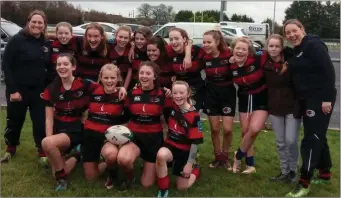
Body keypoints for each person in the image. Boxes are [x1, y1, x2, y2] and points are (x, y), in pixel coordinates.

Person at [283, 19, 336, 197]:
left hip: (320, 98)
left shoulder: (313, 45)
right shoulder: (297, 50)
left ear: (302, 29)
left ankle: (304, 182)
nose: (291, 35)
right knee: (318, 135)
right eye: (288, 33)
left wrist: (327, 99)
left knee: (311, 139)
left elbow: (328, 71)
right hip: (307, 98)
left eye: (294, 31)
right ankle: (325, 173)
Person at [1, 10, 54, 165]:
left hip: (39, 92)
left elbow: (49, 67)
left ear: (44, 25)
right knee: (15, 121)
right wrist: (13, 90)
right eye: (34, 22)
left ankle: (42, 151)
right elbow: (6, 65)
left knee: (40, 122)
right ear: (28, 22)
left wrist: (48, 89)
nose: (37, 25)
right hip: (18, 91)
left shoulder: (46, 43)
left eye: (40, 23)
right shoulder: (17, 40)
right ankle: (10, 149)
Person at [41, 53, 97, 191]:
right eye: (59, 64)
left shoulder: (85, 85)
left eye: (65, 64)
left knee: (47, 145)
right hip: (59, 129)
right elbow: (48, 118)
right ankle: (76, 156)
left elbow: (106, 88)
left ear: (73, 67)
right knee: (49, 146)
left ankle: (62, 180)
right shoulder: (51, 88)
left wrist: (121, 88)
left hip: (76, 128)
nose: (62, 67)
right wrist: (49, 139)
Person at [116, 61, 172, 191]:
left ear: (155, 76)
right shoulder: (131, 94)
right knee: (123, 159)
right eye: (141, 73)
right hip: (134, 136)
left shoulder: (163, 94)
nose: (144, 76)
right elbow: (123, 117)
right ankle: (129, 177)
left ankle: (149, 165)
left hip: (153, 139)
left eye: (148, 73)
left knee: (147, 184)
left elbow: (169, 120)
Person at [262, 34, 301, 183]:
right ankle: (284, 171)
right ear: (267, 47)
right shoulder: (264, 62)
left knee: (291, 140)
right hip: (275, 106)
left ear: (282, 47)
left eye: (277, 46)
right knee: (280, 142)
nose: (273, 49)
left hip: (292, 106)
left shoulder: (291, 60)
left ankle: (293, 170)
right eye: (271, 46)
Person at [82, 64, 127, 189]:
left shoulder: (122, 96)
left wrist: (121, 88)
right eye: (106, 78)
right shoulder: (92, 90)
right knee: (91, 178)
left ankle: (112, 173)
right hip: (90, 136)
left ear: (118, 78)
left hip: (108, 138)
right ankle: (78, 156)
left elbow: (129, 118)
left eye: (113, 78)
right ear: (100, 78)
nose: (109, 81)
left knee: (111, 155)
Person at [155, 80, 203, 198]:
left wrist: (189, 164)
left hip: (185, 150)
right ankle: (163, 190)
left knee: (181, 187)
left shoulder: (195, 115)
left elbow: (196, 142)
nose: (178, 96)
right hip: (171, 145)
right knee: (161, 155)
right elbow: (153, 92)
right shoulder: (171, 105)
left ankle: (196, 168)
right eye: (175, 93)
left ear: (188, 94)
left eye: (181, 93)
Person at [230, 37, 268, 174]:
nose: (240, 51)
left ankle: (238, 155)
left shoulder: (257, 59)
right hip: (244, 98)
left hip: (261, 97)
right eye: (237, 48)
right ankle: (250, 165)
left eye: (244, 49)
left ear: (249, 52)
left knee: (255, 129)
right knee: (246, 132)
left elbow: (269, 52)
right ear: (232, 50)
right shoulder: (231, 64)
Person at [200, 30, 235, 170]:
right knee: (214, 129)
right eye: (204, 42)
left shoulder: (229, 54)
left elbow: (246, 53)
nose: (206, 45)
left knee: (227, 129)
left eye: (209, 42)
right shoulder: (204, 56)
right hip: (211, 94)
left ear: (218, 42)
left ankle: (225, 157)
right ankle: (218, 157)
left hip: (227, 94)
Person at [166, 28, 205, 111]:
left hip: (195, 88)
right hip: (178, 89)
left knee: (191, 113)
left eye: (176, 38)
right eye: (171, 39)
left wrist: (188, 55)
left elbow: (213, 49)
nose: (173, 42)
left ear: (184, 39)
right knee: (179, 115)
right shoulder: (169, 51)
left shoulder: (196, 50)